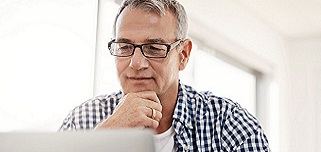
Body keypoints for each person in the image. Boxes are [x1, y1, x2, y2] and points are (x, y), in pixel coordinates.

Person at [59, 0, 270, 151]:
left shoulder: (230, 125)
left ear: (184, 55)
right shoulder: (82, 121)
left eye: (153, 47)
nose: (136, 63)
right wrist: (107, 136)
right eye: (124, 47)